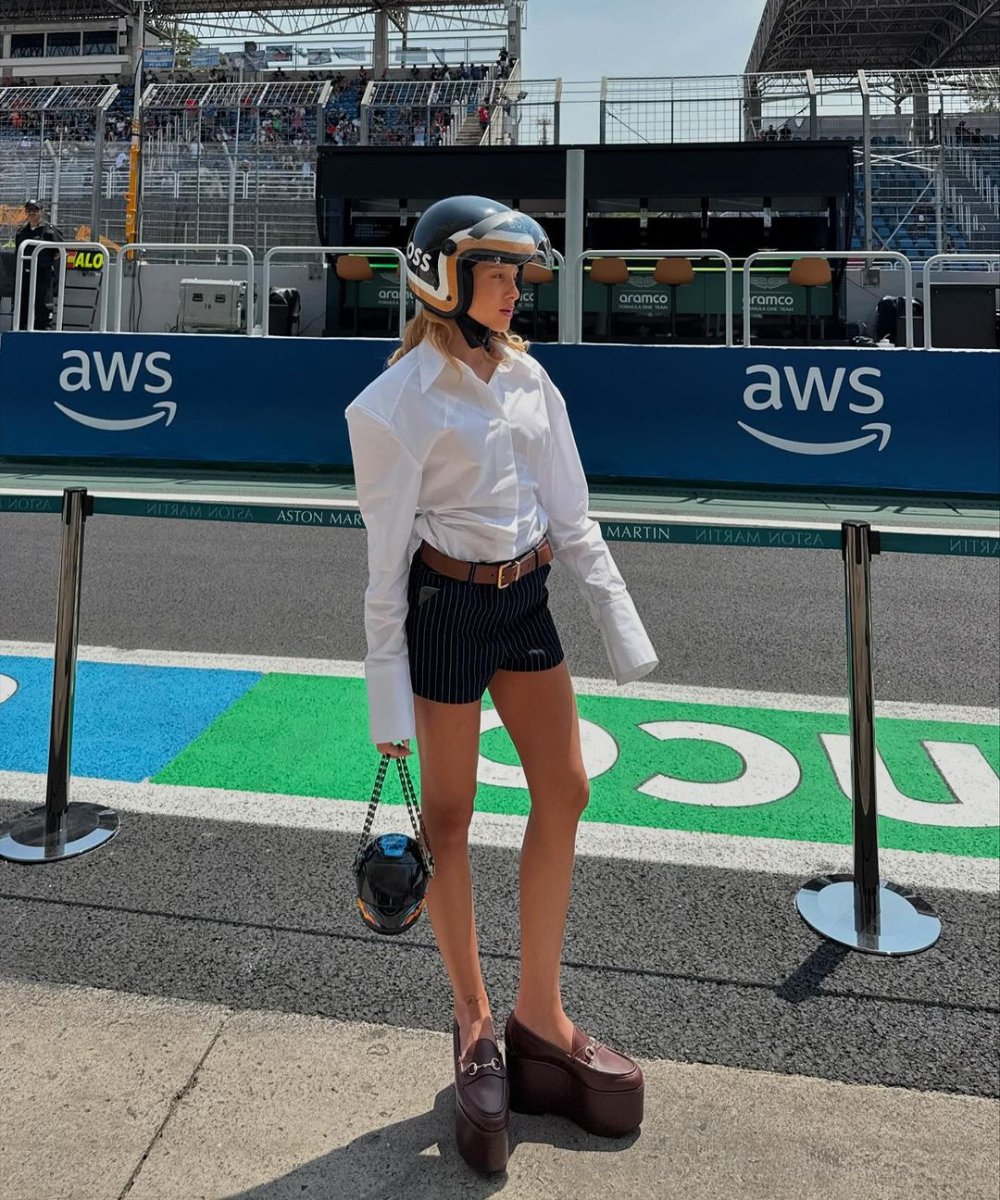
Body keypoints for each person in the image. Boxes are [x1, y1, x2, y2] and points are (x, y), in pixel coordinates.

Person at [345, 197, 657, 1175]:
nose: (518, 289)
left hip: (526, 602)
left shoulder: (531, 380)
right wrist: (386, 707)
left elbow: (572, 515)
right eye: (500, 272)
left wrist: (622, 629)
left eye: (521, 274)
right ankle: (474, 1022)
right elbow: (384, 566)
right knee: (449, 817)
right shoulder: (393, 405)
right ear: (445, 274)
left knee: (565, 787)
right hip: (443, 608)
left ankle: (541, 1015)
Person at [14, 200, 62, 331]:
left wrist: (46, 262)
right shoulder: (21, 231)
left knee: (43, 306)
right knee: (22, 305)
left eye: (35, 210)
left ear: (41, 212)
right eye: (29, 210)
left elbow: (60, 251)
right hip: (25, 274)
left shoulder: (49, 230)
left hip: (43, 275)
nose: (32, 213)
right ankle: (21, 332)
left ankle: (43, 333)